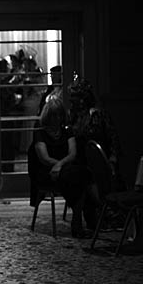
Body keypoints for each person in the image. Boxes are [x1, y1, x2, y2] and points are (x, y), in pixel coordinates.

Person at [30, 97, 98, 238]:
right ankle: (87, 217)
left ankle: (79, 221)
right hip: (47, 172)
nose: (57, 118)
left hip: (65, 170)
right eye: (54, 115)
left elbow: (72, 154)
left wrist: (60, 166)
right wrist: (58, 166)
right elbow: (44, 158)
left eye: (60, 114)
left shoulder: (67, 132)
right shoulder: (40, 133)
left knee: (78, 176)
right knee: (81, 177)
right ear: (48, 115)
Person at [67, 77, 123, 187]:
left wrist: (112, 161)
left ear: (83, 98)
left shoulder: (99, 115)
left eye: (74, 96)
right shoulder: (73, 116)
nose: (70, 99)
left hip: (99, 161)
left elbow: (113, 139)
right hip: (79, 161)